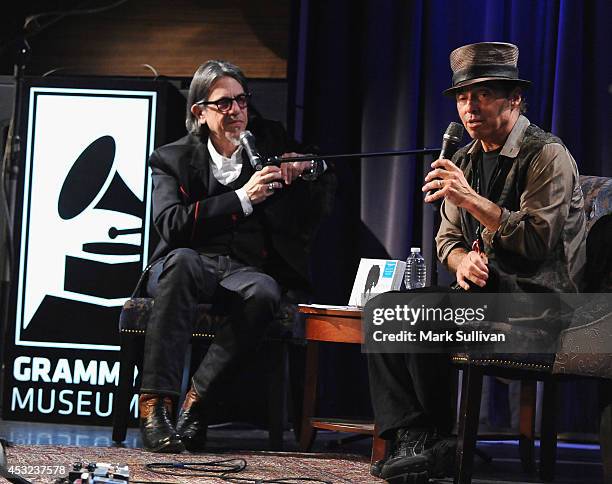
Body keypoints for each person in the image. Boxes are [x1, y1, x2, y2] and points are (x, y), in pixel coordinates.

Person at [368, 42, 586, 482]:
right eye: (464, 97)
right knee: (387, 310)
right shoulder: (463, 158)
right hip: (486, 296)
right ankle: (418, 438)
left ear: (515, 100)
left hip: (541, 305)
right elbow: (446, 239)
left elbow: (537, 242)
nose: (470, 107)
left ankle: (437, 442)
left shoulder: (547, 155)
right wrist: (462, 258)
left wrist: (469, 197)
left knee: (426, 316)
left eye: (484, 95)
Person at [138, 60, 334, 453]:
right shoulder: (172, 158)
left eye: (242, 101)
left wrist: (309, 166)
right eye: (224, 103)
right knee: (184, 262)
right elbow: (172, 225)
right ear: (200, 112)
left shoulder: (266, 142)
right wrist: (244, 198)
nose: (237, 112)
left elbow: (320, 166)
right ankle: (155, 407)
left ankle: (198, 403)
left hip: (241, 269)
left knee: (264, 291)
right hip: (186, 263)